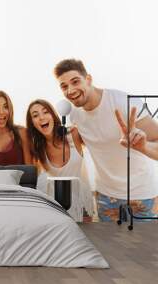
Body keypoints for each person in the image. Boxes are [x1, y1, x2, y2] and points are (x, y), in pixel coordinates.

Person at [54, 58, 158, 221]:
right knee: (110, 246)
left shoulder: (123, 102)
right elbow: (84, 145)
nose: (70, 90)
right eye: (64, 86)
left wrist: (143, 147)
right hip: (105, 196)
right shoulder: (74, 114)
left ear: (88, 79)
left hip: (141, 195)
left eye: (75, 81)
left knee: (143, 246)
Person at [26, 99, 94, 221]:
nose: (41, 117)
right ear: (32, 123)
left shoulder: (73, 134)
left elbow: (98, 141)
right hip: (57, 207)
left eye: (45, 112)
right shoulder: (38, 150)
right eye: (35, 115)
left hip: (82, 206)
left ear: (53, 115)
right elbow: (34, 181)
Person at [0, 90, 32, 165]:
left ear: (10, 109)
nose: (1, 112)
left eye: (5, 107)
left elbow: (30, 168)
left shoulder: (21, 133)